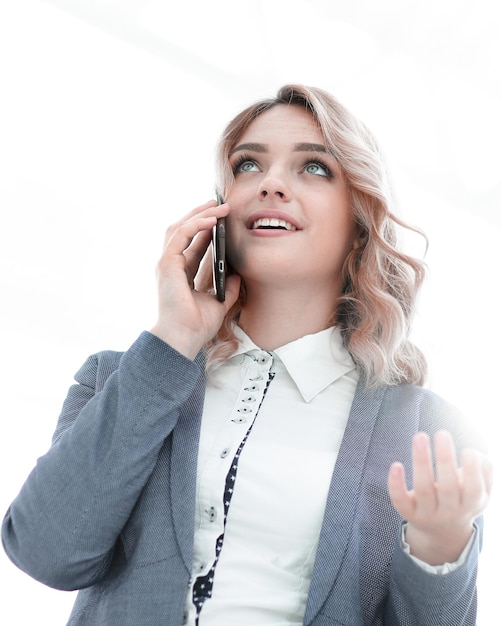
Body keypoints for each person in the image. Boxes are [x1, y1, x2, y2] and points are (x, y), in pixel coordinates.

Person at [2, 84, 492, 626]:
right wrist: (171, 343)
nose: (272, 184)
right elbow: (44, 551)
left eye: (315, 168)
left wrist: (440, 551)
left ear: (359, 223)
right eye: (247, 165)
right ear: (217, 210)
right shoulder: (118, 379)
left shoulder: (425, 431)